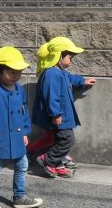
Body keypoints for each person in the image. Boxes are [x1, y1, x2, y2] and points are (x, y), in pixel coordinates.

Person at [0, 46, 42, 208]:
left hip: (17, 139)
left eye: (18, 72)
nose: (16, 76)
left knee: (22, 165)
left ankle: (19, 196)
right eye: (11, 72)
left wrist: (25, 132)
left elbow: (24, 111)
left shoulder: (19, 89)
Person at [32, 36, 96, 178]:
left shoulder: (59, 72)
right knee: (68, 139)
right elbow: (51, 95)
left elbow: (70, 78)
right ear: (59, 56)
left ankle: (58, 163)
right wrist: (55, 114)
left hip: (62, 115)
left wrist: (83, 81)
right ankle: (47, 159)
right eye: (69, 57)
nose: (71, 61)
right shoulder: (51, 73)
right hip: (58, 116)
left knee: (60, 140)